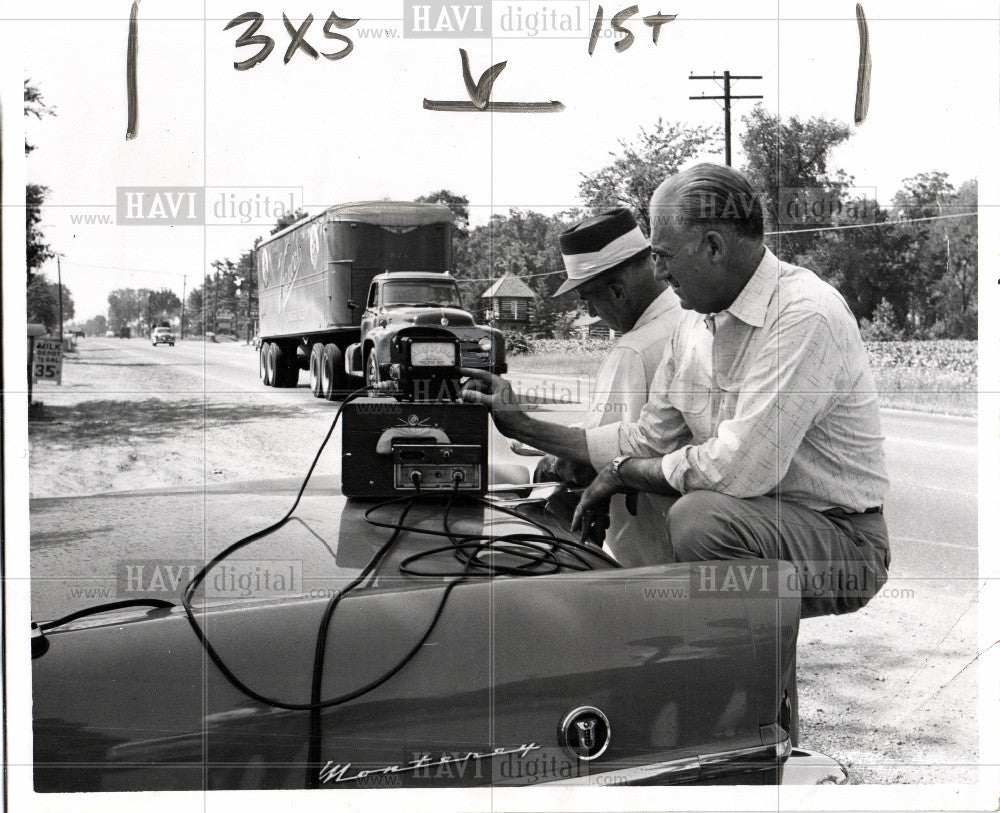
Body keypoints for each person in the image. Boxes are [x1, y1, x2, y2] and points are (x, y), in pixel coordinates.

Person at [463, 163, 890, 618]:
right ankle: (743, 671)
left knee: (700, 521)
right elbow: (648, 437)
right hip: (769, 525)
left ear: (713, 247)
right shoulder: (694, 320)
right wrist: (526, 426)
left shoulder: (804, 315)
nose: (658, 270)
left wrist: (623, 473)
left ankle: (742, 674)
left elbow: (736, 472)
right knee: (705, 538)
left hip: (843, 540)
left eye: (664, 255)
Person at [532, 208, 682, 566]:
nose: (594, 313)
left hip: (655, 557)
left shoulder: (633, 350)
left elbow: (589, 463)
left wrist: (550, 462)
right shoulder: (694, 316)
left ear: (616, 291)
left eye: (588, 298)